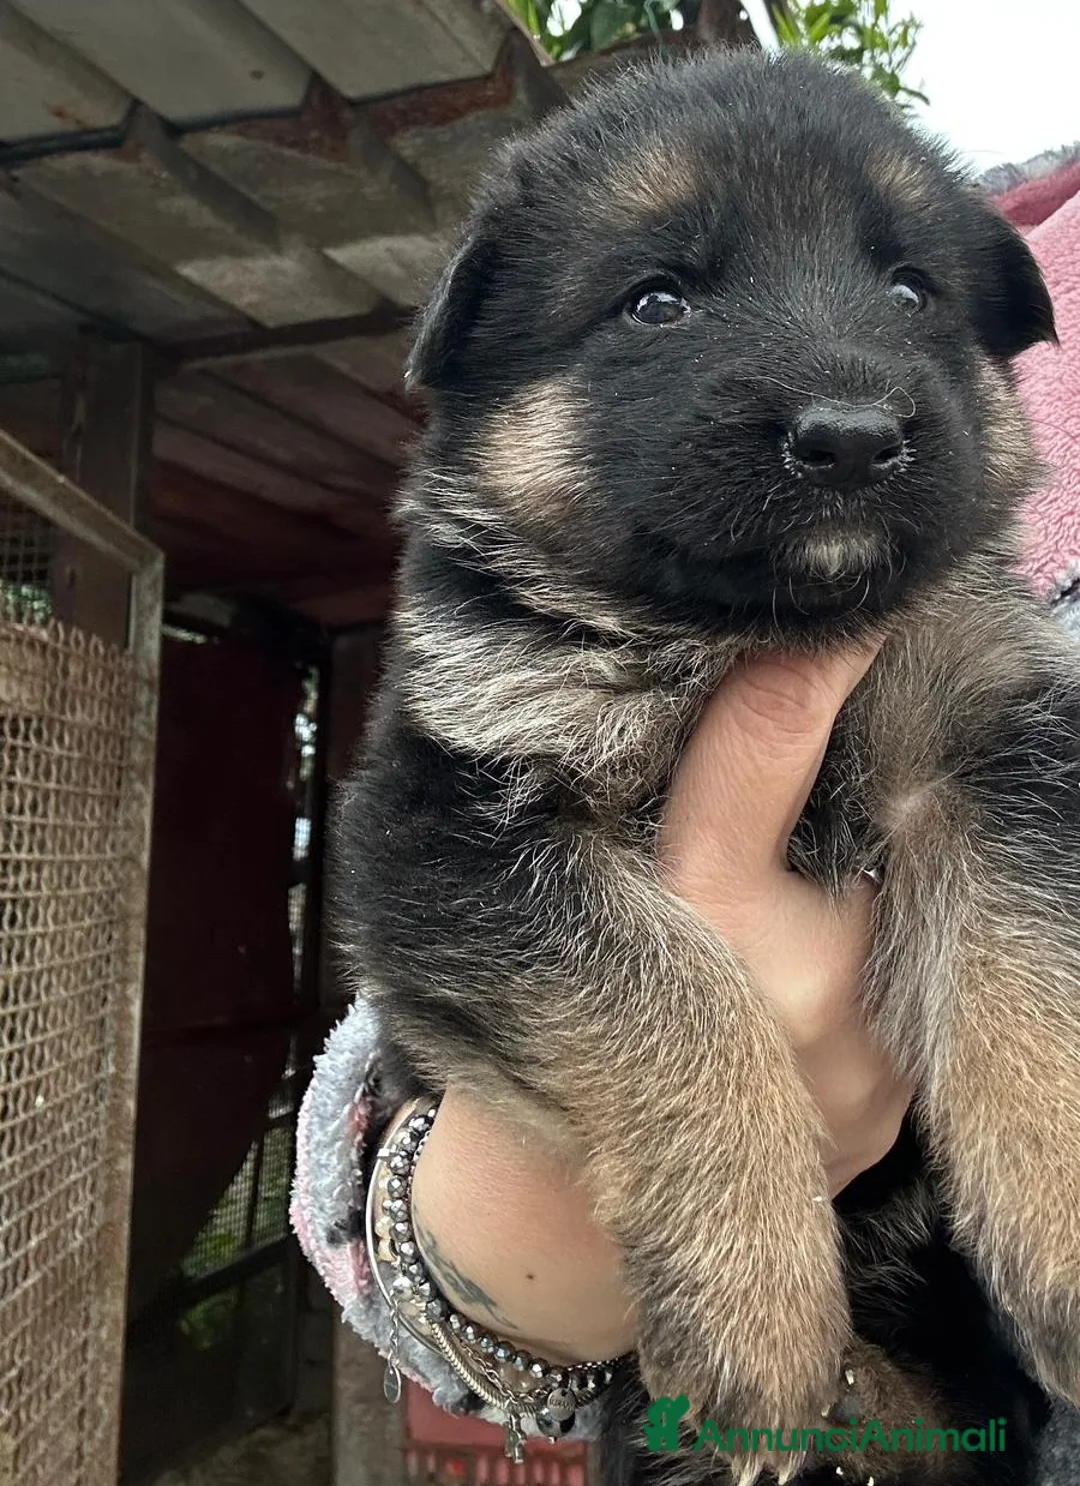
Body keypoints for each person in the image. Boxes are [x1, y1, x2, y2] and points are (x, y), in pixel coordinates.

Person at [291, 142, 1080, 1480]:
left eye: (906, 292)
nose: (849, 403)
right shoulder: (519, 621)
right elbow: (445, 875)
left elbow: (1012, 838)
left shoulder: (975, 613)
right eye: (656, 300)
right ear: (483, 378)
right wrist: (672, 1135)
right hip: (682, 1383)